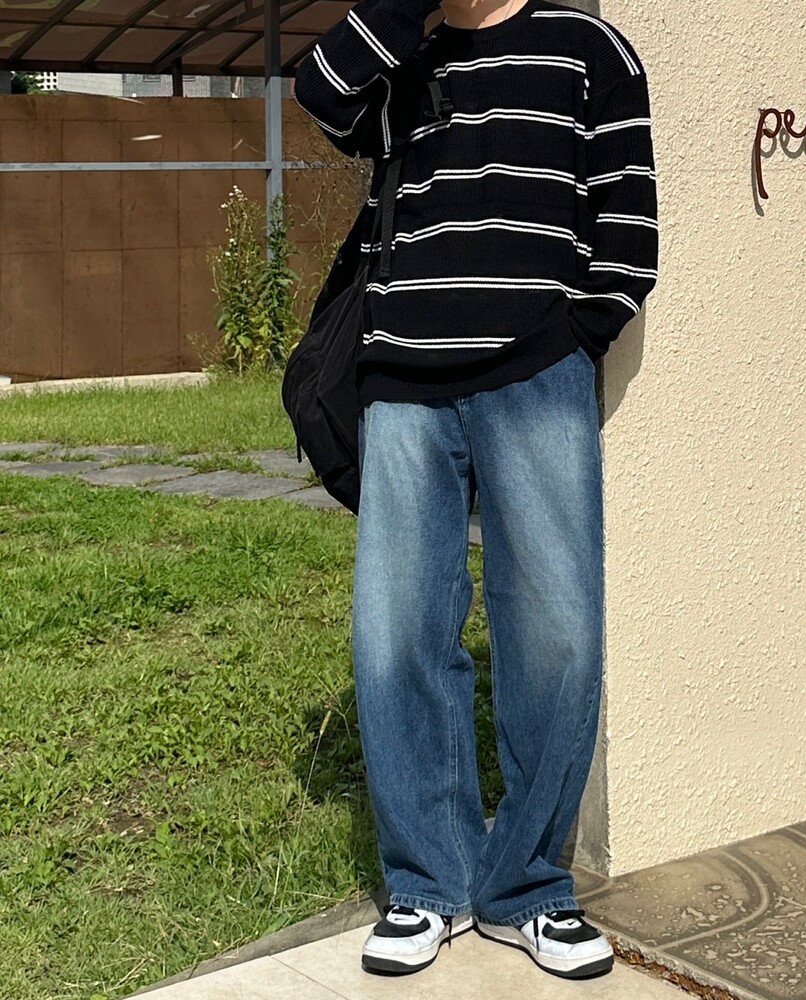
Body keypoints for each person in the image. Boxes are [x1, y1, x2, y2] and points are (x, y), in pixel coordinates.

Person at [293, 0, 658, 980]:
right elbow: (319, 89)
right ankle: (430, 881)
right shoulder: (407, 58)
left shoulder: (589, 50)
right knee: (397, 637)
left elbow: (628, 230)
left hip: (536, 379)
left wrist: (568, 341)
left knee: (556, 634)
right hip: (401, 386)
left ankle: (529, 886)